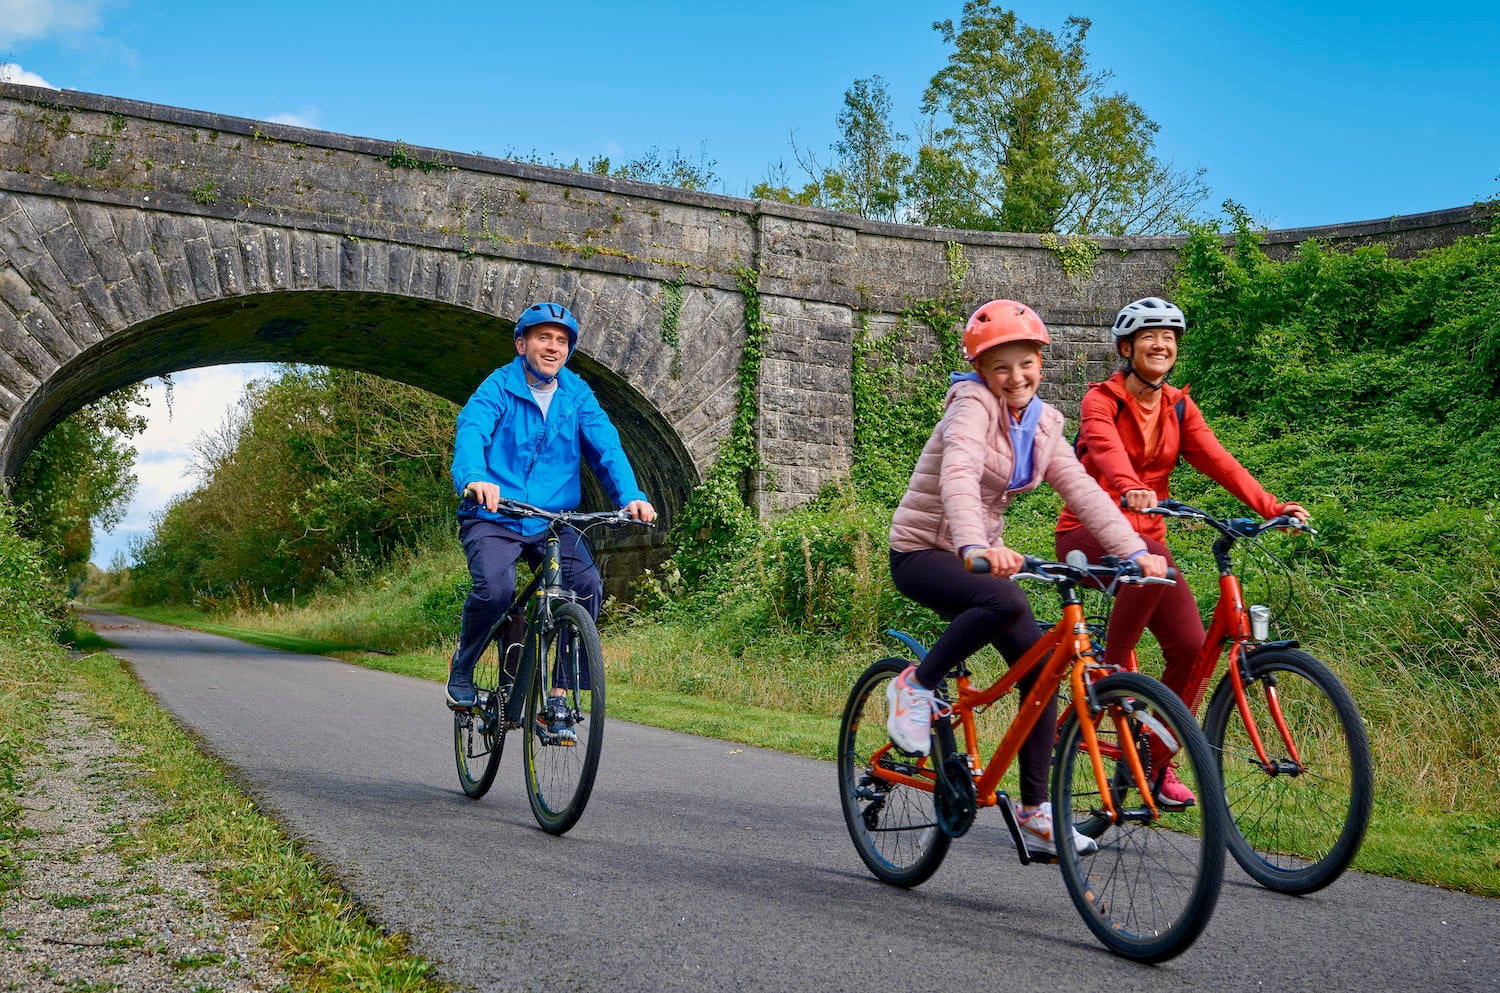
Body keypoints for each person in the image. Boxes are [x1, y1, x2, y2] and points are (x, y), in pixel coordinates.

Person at [886, 299, 1168, 856]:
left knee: (1042, 669)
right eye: (1001, 367)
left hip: (975, 552)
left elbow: (1084, 491)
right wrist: (974, 544)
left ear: (1042, 362)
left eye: (1027, 364)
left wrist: (1134, 550)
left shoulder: (1041, 424)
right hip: (924, 550)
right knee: (1004, 598)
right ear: (982, 372)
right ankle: (915, 685)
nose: (1015, 378)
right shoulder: (969, 406)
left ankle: (1037, 812)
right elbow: (959, 473)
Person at [1055, 296, 1308, 807]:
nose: (1161, 344)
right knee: (1148, 571)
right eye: (1149, 336)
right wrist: (1128, 487)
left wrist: (1271, 506)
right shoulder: (1100, 400)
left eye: (1169, 337)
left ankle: (1150, 760)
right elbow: (1104, 449)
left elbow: (1220, 460)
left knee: (1192, 651)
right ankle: (1106, 676)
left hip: (1150, 551)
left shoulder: (1177, 406)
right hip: (1090, 534)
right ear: (1126, 347)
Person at [447, 301, 656, 728]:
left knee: (586, 584)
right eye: (544, 337)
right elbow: (471, 431)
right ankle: (464, 664)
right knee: (495, 589)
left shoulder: (577, 395)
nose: (553, 347)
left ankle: (557, 695)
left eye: (561, 341)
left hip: (553, 520)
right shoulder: (498, 387)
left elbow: (607, 449)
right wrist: (474, 477)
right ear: (522, 343)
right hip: (495, 513)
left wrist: (631, 495)